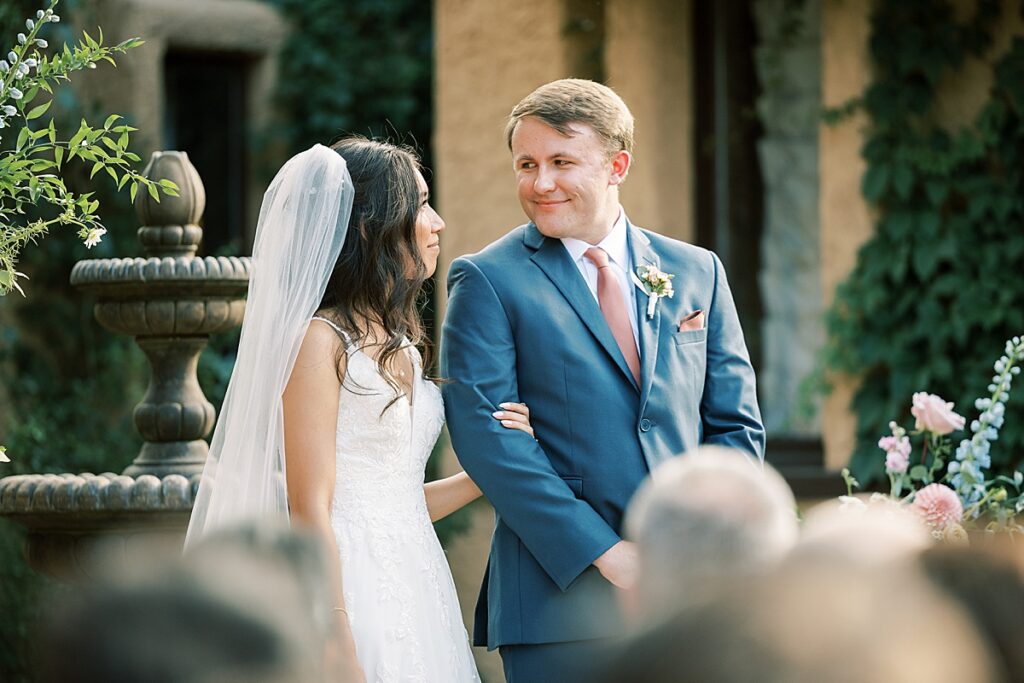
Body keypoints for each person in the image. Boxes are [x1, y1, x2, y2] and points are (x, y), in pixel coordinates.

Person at [441, 78, 765, 682]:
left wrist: (702, 545)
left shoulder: (697, 271)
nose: (540, 183)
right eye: (527, 164)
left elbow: (734, 423)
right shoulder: (487, 280)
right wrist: (609, 555)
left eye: (562, 162)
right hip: (559, 602)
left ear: (617, 165)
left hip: (688, 598)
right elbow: (491, 444)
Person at [185, 139, 534, 682]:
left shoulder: (403, 345)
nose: (437, 222)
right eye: (420, 205)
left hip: (419, 583)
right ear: (371, 226)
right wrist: (335, 632)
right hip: (348, 588)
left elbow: (393, 503)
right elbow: (311, 508)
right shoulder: (317, 341)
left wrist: (492, 470)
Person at [621, 445, 798, 625]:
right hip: (611, 558)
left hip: (730, 533)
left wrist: (731, 503)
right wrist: (603, 547)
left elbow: (734, 427)